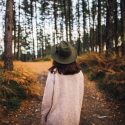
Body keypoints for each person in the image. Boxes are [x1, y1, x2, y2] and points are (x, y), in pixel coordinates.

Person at [41, 41, 84, 125]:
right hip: (73, 118)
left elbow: (47, 99)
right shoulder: (80, 73)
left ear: (56, 57)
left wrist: (43, 116)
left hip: (55, 119)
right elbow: (80, 96)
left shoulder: (53, 73)